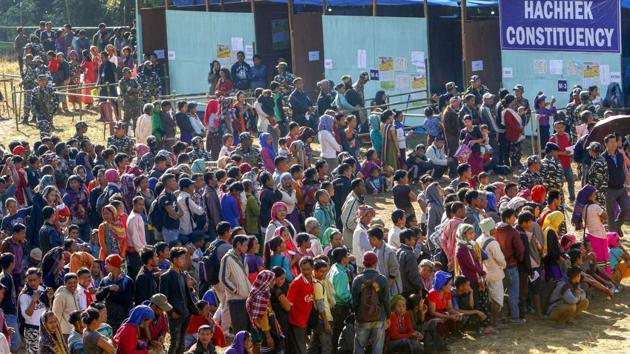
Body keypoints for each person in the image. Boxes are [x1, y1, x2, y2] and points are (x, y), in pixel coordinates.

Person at [160, 247, 199, 354]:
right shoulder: (166, 276)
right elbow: (163, 299)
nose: (184, 260)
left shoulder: (182, 275)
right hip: (175, 314)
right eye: (182, 258)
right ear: (175, 260)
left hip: (185, 313)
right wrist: (171, 313)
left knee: (181, 342)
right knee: (175, 342)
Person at [351, 251, 389, 354]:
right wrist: (388, 316)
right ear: (375, 263)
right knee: (377, 348)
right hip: (379, 317)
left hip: (362, 318)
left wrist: (357, 315)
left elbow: (354, 302)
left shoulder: (357, 280)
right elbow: (386, 300)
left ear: (363, 264)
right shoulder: (382, 279)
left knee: (359, 346)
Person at [219, 235, 252, 335]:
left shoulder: (243, 258)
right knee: (240, 330)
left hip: (246, 299)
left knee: (248, 330)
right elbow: (223, 278)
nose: (247, 247)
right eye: (245, 245)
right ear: (238, 245)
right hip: (235, 300)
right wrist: (235, 290)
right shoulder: (227, 258)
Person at [96, 254, 134, 333]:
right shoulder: (105, 280)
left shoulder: (127, 281)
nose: (105, 266)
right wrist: (108, 288)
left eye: (107, 264)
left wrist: (108, 296)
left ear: (114, 265)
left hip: (123, 317)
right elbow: (98, 296)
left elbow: (127, 299)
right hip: (108, 317)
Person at [285, 257, 314, 354]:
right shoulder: (296, 283)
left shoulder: (313, 280)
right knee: (300, 346)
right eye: (303, 269)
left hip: (307, 319)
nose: (305, 272)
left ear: (312, 268)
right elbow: (289, 303)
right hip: (297, 320)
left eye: (308, 269)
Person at [602, 134, 628, 236]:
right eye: (611, 142)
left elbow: (624, 170)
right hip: (609, 189)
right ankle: (613, 238)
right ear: (606, 144)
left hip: (621, 188)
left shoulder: (620, 155)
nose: (614, 144)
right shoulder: (602, 158)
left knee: (626, 208)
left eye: (615, 142)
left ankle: (618, 225)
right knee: (610, 215)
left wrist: (628, 182)